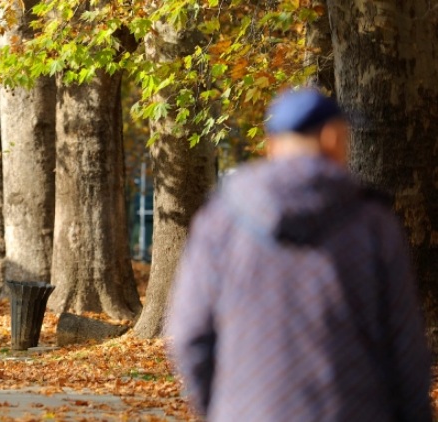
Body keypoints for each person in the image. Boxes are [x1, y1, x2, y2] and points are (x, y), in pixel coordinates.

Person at [165, 88, 431, 421]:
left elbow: (190, 335)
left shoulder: (221, 219)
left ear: (271, 145)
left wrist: (222, 408)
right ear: (332, 137)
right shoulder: (373, 224)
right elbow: (405, 350)